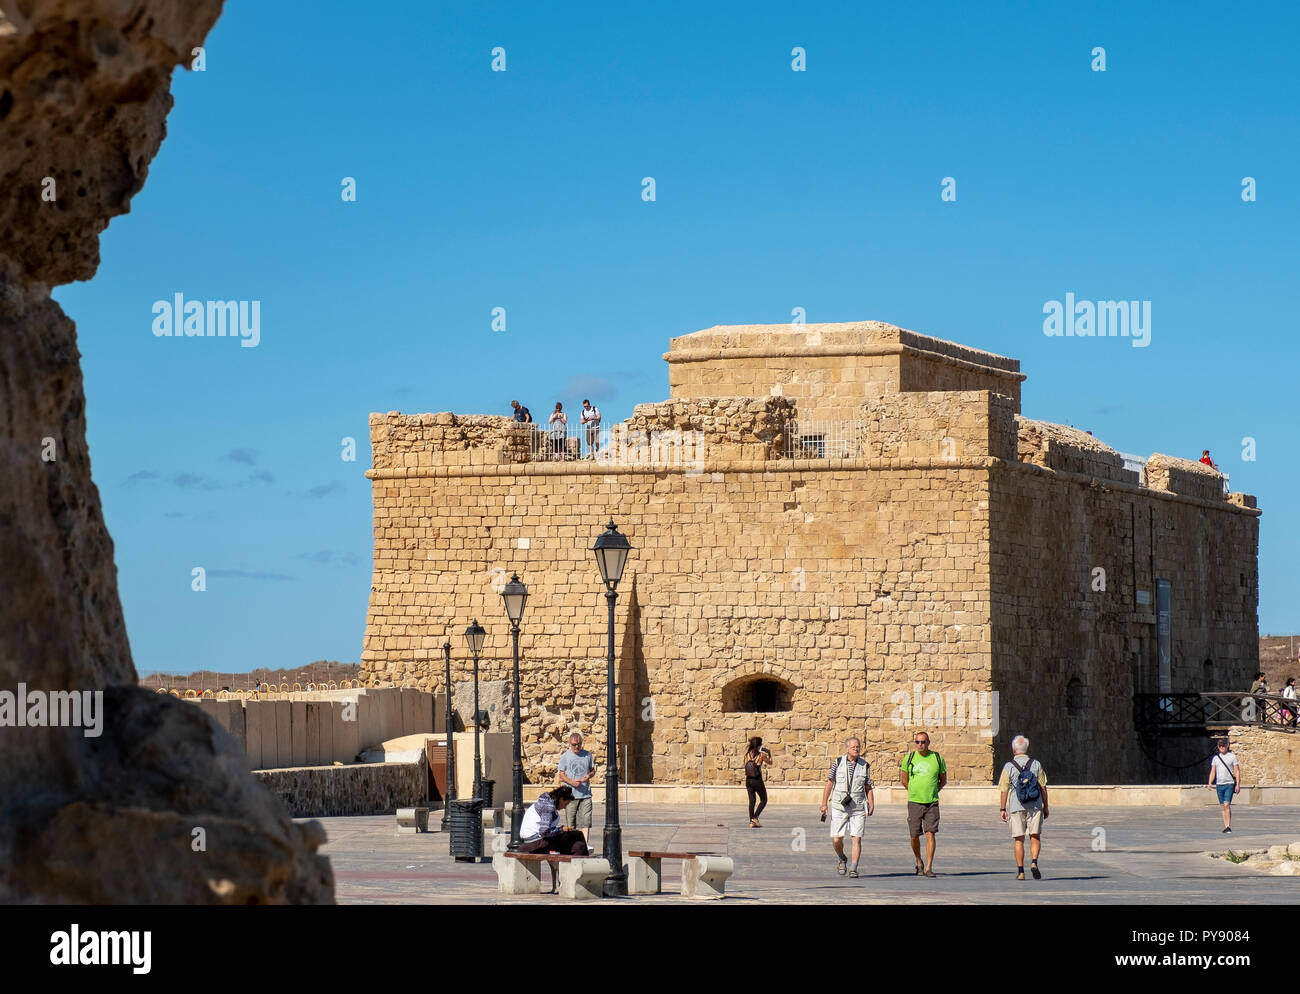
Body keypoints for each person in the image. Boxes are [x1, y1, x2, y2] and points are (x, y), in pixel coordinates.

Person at [819, 736, 874, 878]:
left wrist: (871, 802)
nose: (856, 749)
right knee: (837, 838)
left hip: (858, 806)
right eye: (853, 747)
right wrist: (824, 803)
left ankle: (854, 867)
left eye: (858, 747)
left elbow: (868, 786)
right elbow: (829, 783)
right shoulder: (837, 763)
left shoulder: (865, 765)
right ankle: (842, 857)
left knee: (856, 838)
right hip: (839, 805)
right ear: (847, 748)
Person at [998, 735, 1049, 880]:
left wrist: (1003, 809)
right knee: (1035, 836)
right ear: (1026, 749)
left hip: (1016, 806)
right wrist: (1045, 807)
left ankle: (1020, 872)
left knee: (1019, 839)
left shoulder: (1009, 766)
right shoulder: (1036, 764)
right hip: (1035, 805)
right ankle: (1034, 862)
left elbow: (1004, 789)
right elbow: (1043, 787)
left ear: (1014, 749)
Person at [900, 731, 946, 877]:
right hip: (914, 802)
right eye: (918, 742)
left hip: (932, 802)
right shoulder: (909, 758)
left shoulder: (937, 758)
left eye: (923, 742)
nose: (920, 745)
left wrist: (933, 791)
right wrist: (914, 790)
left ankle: (928, 867)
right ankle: (918, 861)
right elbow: (904, 780)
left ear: (928, 742)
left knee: (930, 833)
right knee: (914, 835)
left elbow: (943, 780)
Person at [518, 785, 590, 856]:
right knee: (577, 837)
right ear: (561, 799)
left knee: (576, 839)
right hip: (535, 843)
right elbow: (544, 832)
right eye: (565, 804)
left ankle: (576, 861)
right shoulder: (548, 807)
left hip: (532, 841)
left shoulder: (545, 802)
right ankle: (578, 863)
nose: (565, 807)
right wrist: (561, 830)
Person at [556, 732, 595, 843]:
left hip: (585, 794)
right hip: (571, 795)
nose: (576, 746)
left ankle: (585, 845)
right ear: (570, 744)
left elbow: (592, 771)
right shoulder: (565, 756)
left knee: (586, 822)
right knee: (571, 822)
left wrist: (588, 776)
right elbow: (561, 774)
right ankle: (573, 845)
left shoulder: (587, 755)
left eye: (579, 744)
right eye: (574, 744)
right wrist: (572, 782)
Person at [1208, 737, 1240, 833]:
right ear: (1218, 747)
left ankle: (1228, 825)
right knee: (1222, 806)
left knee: (1227, 804)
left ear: (1227, 746)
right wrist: (1210, 782)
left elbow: (1237, 770)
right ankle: (1226, 826)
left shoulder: (1232, 757)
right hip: (1219, 784)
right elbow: (1213, 771)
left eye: (1223, 746)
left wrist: (1237, 784)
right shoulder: (1216, 758)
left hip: (1229, 783)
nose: (1222, 747)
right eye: (1220, 746)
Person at [743, 736, 772, 827]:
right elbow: (770, 762)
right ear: (759, 745)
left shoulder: (747, 754)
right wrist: (769, 754)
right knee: (764, 799)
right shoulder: (761, 755)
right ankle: (755, 818)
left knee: (752, 801)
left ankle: (752, 821)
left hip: (748, 780)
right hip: (757, 780)